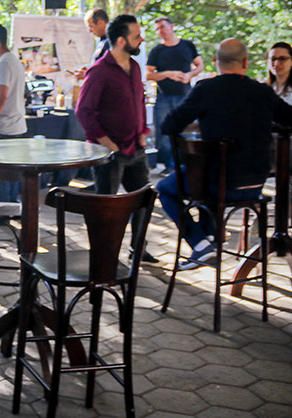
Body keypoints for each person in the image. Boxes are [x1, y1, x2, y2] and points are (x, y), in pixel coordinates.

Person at [157, 38, 292, 269]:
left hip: (218, 185)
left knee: (165, 189)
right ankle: (210, 239)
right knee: (207, 177)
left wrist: (200, 122)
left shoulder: (206, 89)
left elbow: (169, 125)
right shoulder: (263, 91)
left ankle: (200, 243)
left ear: (214, 61)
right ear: (246, 62)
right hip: (256, 185)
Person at [75, 14, 157, 263]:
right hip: (109, 153)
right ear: (121, 41)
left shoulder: (135, 67)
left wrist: (142, 132)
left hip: (135, 148)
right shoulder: (99, 71)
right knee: (107, 208)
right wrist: (105, 141)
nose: (141, 39)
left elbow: (139, 102)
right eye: (136, 36)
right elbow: (84, 111)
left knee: (144, 200)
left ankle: (138, 249)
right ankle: (104, 256)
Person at [147, 16, 204, 173]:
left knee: (188, 129)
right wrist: (167, 74)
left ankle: (189, 164)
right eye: (157, 29)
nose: (160, 31)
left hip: (186, 95)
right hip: (164, 97)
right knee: (165, 131)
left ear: (171, 27)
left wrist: (190, 75)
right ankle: (170, 166)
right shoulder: (157, 50)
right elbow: (148, 74)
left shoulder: (187, 45)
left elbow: (200, 65)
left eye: (162, 27)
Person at [0, 23, 27, 202]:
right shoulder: (14, 61)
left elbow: (2, 95)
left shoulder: (4, 63)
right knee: (13, 172)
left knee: (1, 173)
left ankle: (3, 209)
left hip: (4, 126)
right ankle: (12, 208)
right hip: (16, 125)